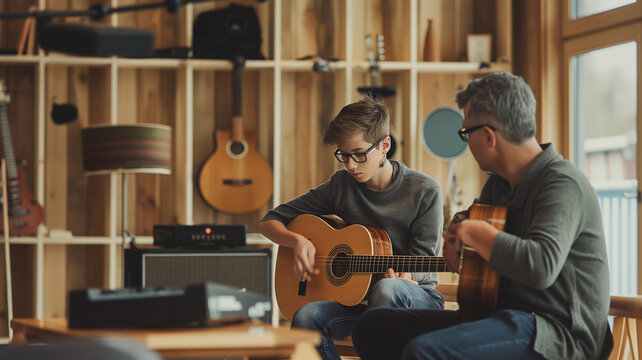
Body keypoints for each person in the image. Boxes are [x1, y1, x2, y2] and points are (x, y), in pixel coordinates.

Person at [351, 72, 612, 360]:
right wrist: (459, 226)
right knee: (372, 328)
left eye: (466, 133)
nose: (466, 143)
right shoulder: (500, 183)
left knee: (424, 351)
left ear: (488, 136)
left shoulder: (561, 184)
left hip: (557, 335)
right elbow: (476, 216)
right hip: (503, 317)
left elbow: (541, 266)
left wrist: (474, 233)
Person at [259, 96, 445, 360]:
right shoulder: (341, 185)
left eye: (359, 154)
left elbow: (425, 262)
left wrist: (408, 277)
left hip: (417, 299)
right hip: (359, 302)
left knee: (388, 289)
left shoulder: (425, 190)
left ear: (385, 146)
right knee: (306, 315)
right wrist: (296, 241)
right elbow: (269, 221)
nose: (350, 165)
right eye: (343, 155)